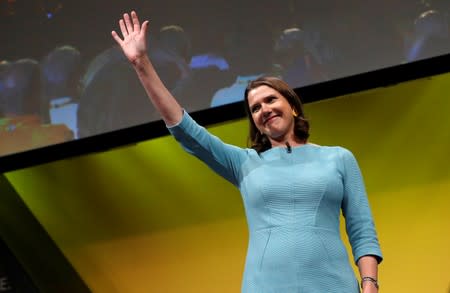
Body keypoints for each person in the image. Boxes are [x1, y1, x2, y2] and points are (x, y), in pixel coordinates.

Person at [112, 11, 382, 293]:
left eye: (270, 100)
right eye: (255, 108)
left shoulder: (338, 158)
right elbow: (185, 129)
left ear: (291, 105)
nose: (264, 109)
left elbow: (362, 231)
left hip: (333, 286)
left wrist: (369, 284)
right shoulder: (244, 163)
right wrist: (141, 64)